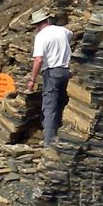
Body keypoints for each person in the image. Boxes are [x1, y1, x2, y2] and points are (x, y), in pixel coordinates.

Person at [27, 10, 73, 147]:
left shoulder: (41, 36)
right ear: (47, 21)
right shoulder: (63, 31)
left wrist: (32, 79)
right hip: (67, 71)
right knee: (62, 101)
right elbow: (71, 36)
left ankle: (49, 142)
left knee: (49, 105)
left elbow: (39, 60)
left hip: (52, 72)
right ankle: (62, 133)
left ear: (37, 25)